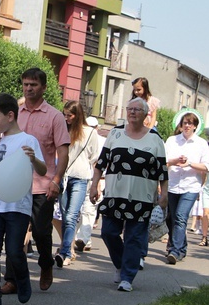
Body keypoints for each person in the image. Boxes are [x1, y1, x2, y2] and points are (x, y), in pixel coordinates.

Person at [0, 94, 46, 305]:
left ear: (10, 115)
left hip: (17, 206)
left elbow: (42, 171)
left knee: (14, 250)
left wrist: (33, 159)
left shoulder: (27, 140)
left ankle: (22, 279)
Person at [90, 97, 168, 292]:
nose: (132, 112)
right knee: (108, 233)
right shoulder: (115, 134)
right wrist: (94, 185)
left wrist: (164, 194)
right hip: (115, 195)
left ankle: (127, 277)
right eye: (130, 109)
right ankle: (121, 263)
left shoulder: (154, 139)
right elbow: (101, 163)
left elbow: (163, 171)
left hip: (142, 198)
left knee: (134, 237)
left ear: (145, 115)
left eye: (137, 110)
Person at [2, 68, 69, 294]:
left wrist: (56, 180)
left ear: (44, 87)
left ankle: (46, 263)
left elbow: (63, 151)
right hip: (15, 183)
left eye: (33, 85)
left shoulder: (55, 116)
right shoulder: (14, 113)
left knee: (41, 232)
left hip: (42, 184)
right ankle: (11, 279)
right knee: (14, 234)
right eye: (25, 84)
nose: (28, 88)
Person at [54, 101, 99, 267]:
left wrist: (96, 183)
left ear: (78, 115)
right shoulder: (62, 129)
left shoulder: (89, 132)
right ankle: (67, 249)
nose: (66, 118)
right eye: (64, 115)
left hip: (80, 177)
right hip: (64, 177)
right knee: (65, 216)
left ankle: (65, 252)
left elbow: (94, 158)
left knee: (72, 215)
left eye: (70, 115)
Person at [164, 111, 209, 264]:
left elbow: (206, 167)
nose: (187, 126)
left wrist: (189, 163)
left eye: (190, 123)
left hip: (191, 186)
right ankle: (182, 246)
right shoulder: (172, 141)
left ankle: (175, 251)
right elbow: (163, 161)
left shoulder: (201, 144)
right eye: (185, 123)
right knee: (171, 218)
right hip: (172, 184)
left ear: (195, 126)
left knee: (181, 217)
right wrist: (175, 161)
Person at [73, 116, 106, 253]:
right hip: (90, 177)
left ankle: (82, 238)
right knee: (87, 211)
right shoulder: (81, 136)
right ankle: (84, 239)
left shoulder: (81, 136)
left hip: (93, 178)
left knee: (84, 210)